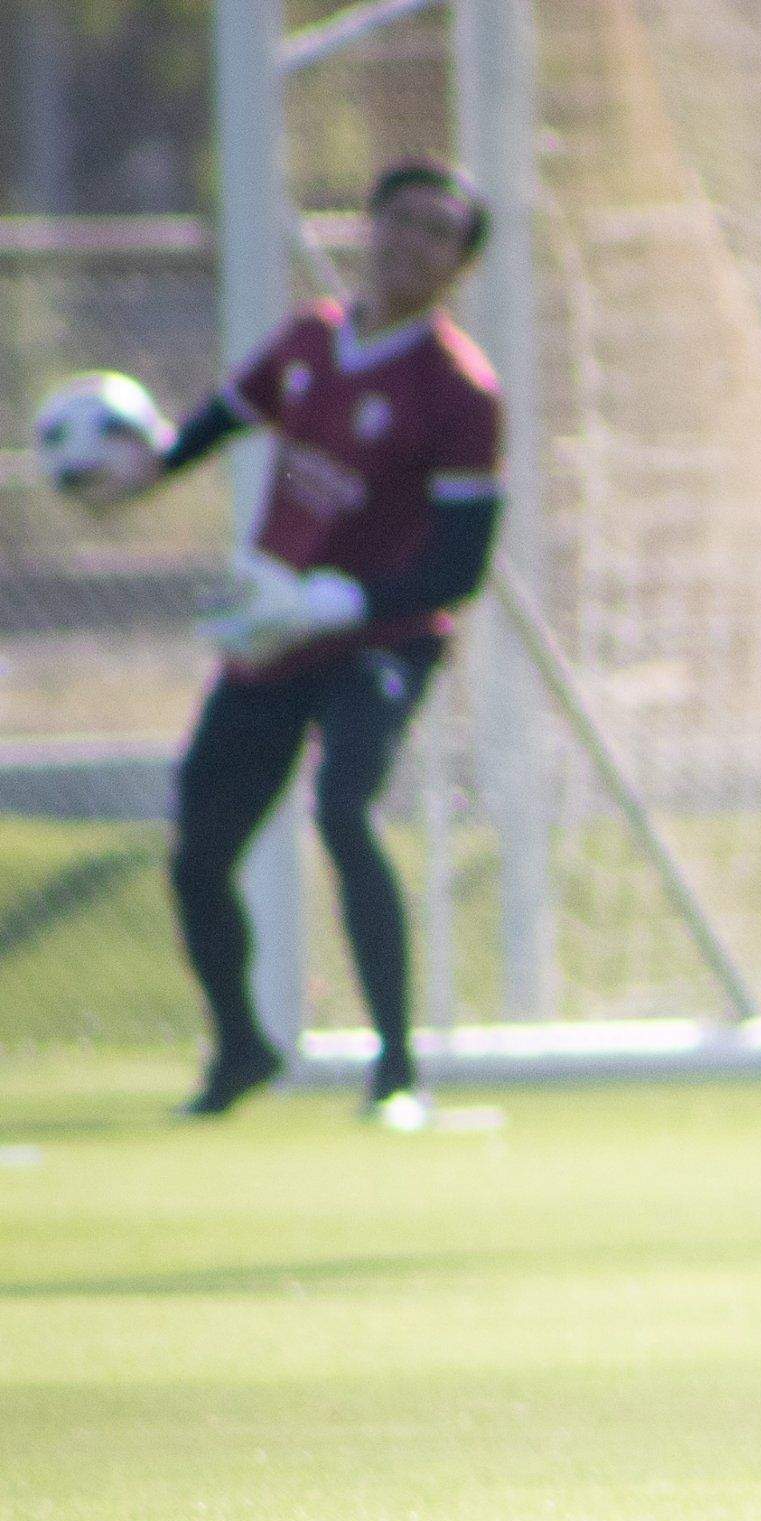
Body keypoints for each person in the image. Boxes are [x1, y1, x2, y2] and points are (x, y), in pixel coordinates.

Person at [77, 158, 504, 1125]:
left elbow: (461, 566)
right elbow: (224, 419)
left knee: (346, 810)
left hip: (382, 641)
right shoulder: (312, 340)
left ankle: (395, 1071)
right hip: (271, 637)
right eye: (400, 217)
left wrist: (340, 602)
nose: (411, 241)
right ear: (369, 223)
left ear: (460, 265)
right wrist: (145, 473)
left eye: (438, 231)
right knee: (198, 855)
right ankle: (241, 1045)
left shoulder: (461, 393)